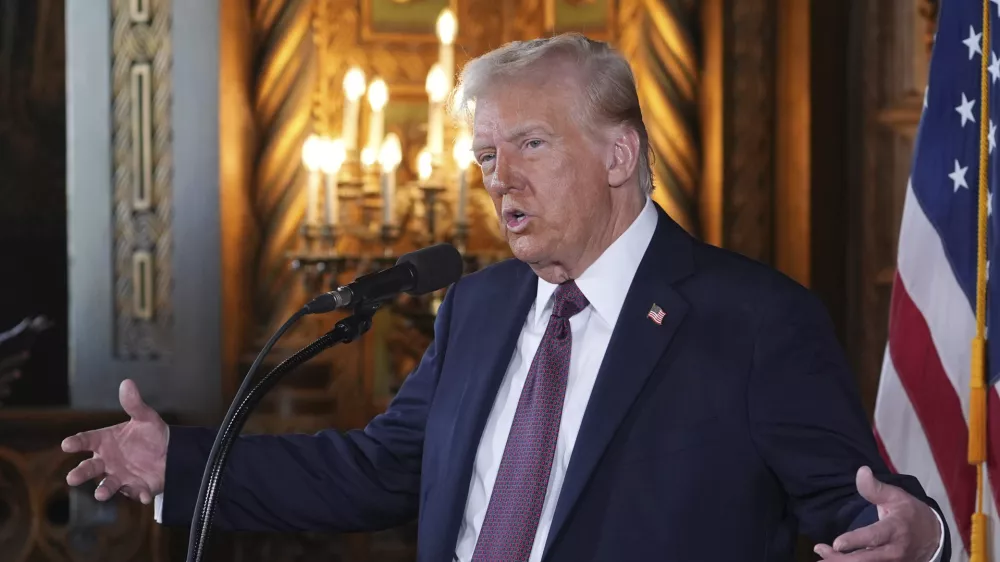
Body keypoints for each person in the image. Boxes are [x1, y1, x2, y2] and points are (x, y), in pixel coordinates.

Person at [61, 34, 948, 561]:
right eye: (487, 156)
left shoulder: (755, 318)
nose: (500, 179)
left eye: (530, 144)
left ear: (618, 155)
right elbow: (378, 471)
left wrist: (919, 532)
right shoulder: (478, 308)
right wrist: (181, 463)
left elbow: (857, 508)